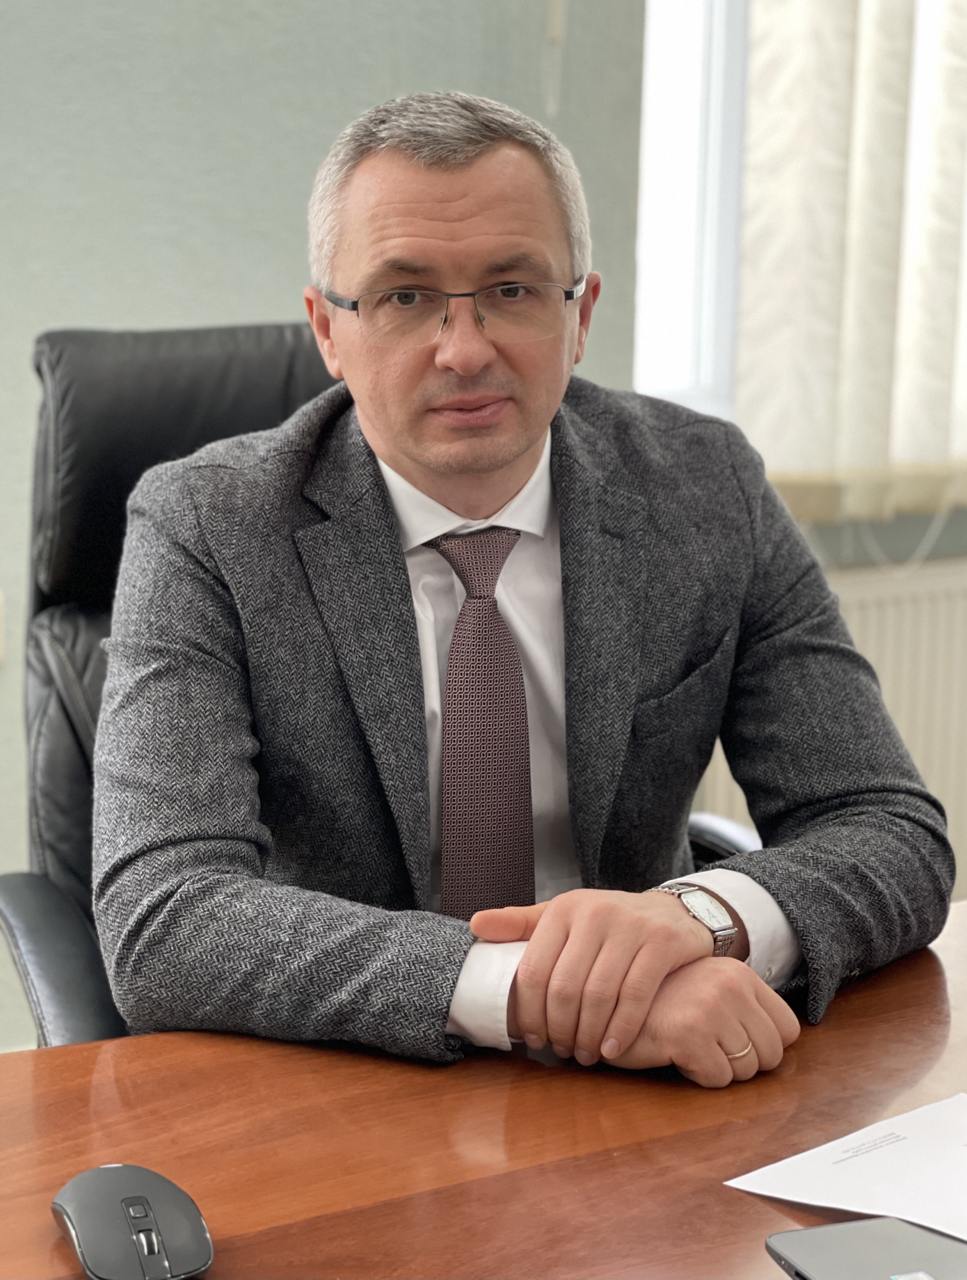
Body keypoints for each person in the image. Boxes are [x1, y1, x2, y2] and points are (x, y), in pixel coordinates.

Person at [92, 91, 953, 1088]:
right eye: (404, 297)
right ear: (328, 328)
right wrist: (533, 991)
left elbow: (888, 828)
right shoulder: (208, 524)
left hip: (646, 1083)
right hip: (346, 1076)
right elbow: (164, 914)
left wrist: (701, 918)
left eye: (511, 289)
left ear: (579, 314)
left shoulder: (703, 487)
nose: (464, 349)